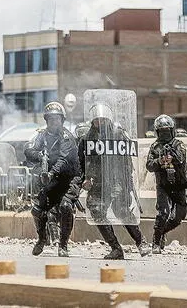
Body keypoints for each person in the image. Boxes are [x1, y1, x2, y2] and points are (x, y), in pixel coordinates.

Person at [80, 103, 150, 260]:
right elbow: (82, 160)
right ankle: (115, 248)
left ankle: (141, 242)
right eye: (96, 120)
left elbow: (128, 160)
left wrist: (126, 181)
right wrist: (84, 178)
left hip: (117, 179)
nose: (99, 123)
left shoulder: (118, 133)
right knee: (96, 210)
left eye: (102, 119)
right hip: (98, 181)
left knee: (123, 211)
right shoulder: (88, 137)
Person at [24, 102, 79, 257]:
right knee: (37, 210)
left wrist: (51, 173)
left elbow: (64, 159)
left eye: (57, 119)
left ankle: (63, 245)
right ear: (46, 120)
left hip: (68, 178)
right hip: (51, 180)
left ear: (62, 120)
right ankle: (42, 239)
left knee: (66, 207)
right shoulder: (42, 135)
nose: (54, 122)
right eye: (51, 119)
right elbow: (28, 150)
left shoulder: (66, 136)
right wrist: (40, 156)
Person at [146, 115, 187, 254]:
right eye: (161, 131)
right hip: (163, 186)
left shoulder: (178, 144)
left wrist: (172, 157)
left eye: (167, 131)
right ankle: (156, 242)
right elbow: (149, 165)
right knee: (163, 213)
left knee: (178, 218)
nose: (164, 133)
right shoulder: (155, 146)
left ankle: (162, 232)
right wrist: (160, 161)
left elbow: (181, 158)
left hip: (179, 184)